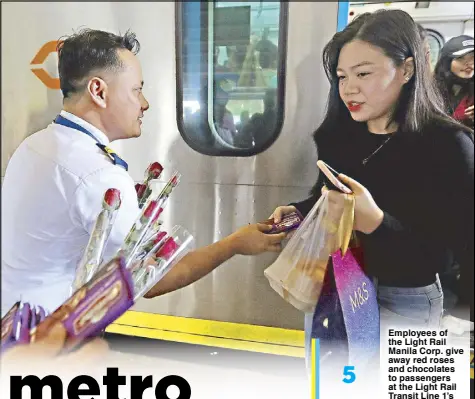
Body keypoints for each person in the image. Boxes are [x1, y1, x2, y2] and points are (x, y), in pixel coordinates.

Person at [1, 29, 286, 317]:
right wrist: (234, 244)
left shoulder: (35, 145)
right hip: (44, 338)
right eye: (136, 90)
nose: (144, 103)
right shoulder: (100, 175)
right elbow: (154, 278)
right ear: (98, 91)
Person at [270, 10, 474, 355]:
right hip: (337, 286)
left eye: (363, 73)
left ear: (407, 69)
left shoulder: (449, 144)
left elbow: (453, 249)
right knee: (328, 388)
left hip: (408, 300)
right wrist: (298, 212)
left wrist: (377, 223)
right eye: (341, 76)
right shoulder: (339, 136)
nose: (349, 88)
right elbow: (329, 200)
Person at [434, 35, 474, 129]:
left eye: (473, 57)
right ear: (447, 63)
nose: (469, 64)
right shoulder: (430, 89)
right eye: (460, 58)